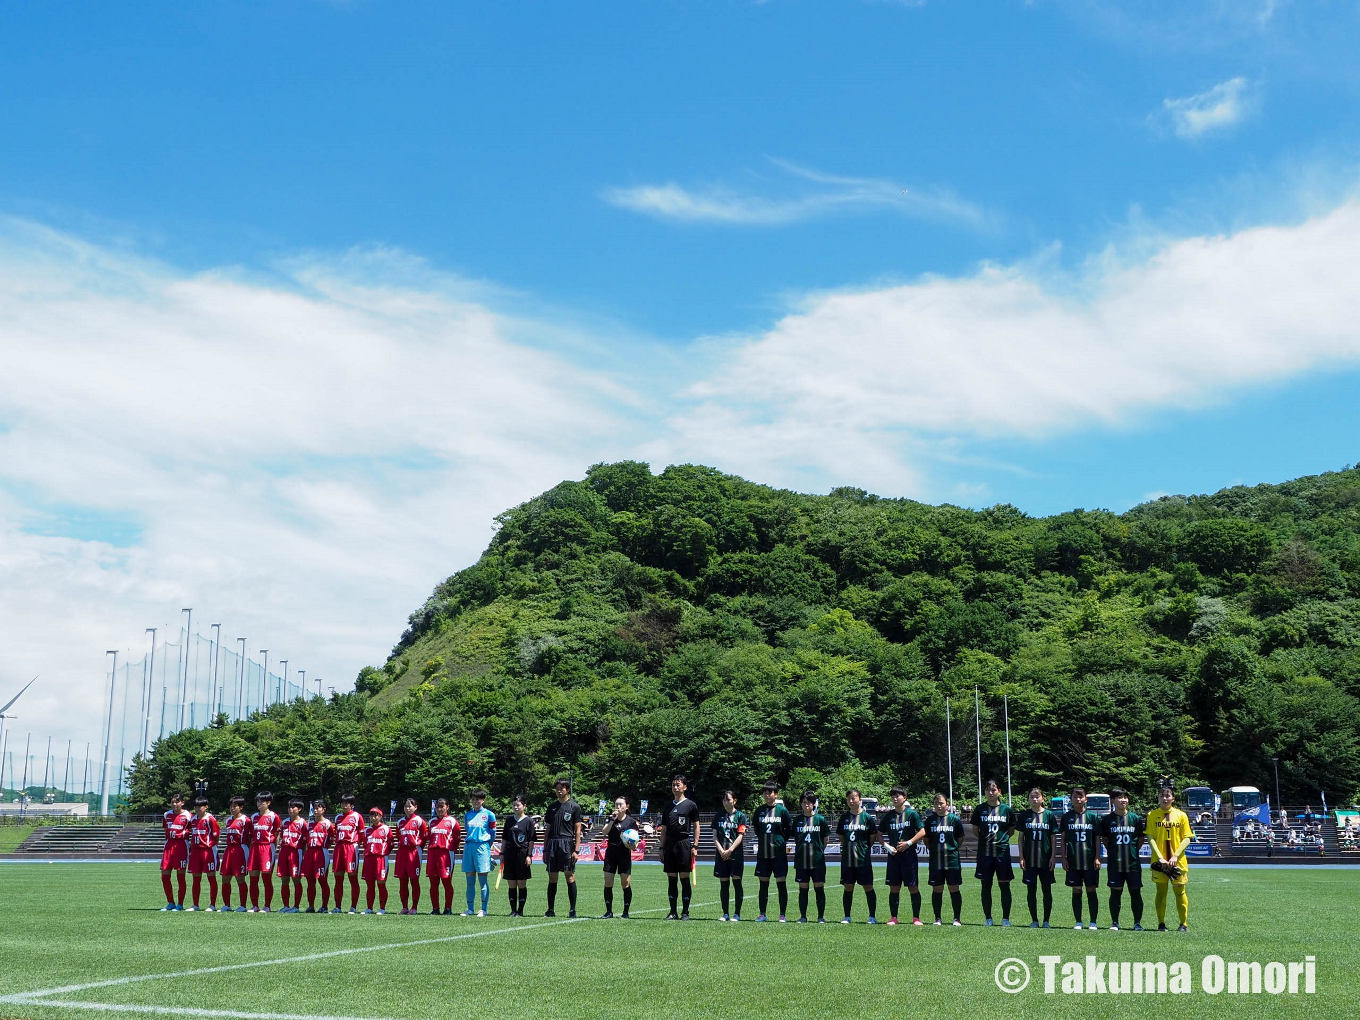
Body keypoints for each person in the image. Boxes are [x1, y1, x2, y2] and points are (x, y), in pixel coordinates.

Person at [1146, 785, 1192, 932]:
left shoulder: (1181, 815)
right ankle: (1161, 923)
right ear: (1158, 798)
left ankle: (1183, 924)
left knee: (1180, 892)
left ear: (1173, 798)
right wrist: (1160, 858)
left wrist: (1175, 856)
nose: (1165, 798)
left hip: (1177, 861)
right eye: (1162, 795)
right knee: (1161, 892)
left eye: (1167, 796)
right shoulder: (1151, 815)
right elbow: (1150, 837)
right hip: (1159, 863)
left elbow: (1187, 838)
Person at [972, 778, 1016, 927]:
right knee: (986, 885)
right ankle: (988, 918)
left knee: (1004, 885)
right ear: (984, 792)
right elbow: (975, 830)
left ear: (999, 791)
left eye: (993, 790)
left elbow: (1010, 830)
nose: (990, 792)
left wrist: (1000, 841)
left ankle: (1006, 919)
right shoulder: (979, 809)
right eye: (988, 790)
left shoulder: (1007, 810)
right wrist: (986, 841)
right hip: (985, 853)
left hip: (1002, 852)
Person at [1099, 789, 1145, 930]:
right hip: (1115, 863)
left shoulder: (1135, 819)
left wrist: (1131, 850)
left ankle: (1137, 923)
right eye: (1119, 798)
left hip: (1133, 863)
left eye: (1125, 797)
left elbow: (1140, 839)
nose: (1123, 800)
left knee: (1135, 892)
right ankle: (1115, 922)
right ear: (1113, 801)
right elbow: (1105, 840)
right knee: (1115, 892)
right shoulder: (1107, 820)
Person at [657, 774, 700, 920]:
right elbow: (663, 830)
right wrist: (661, 848)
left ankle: (685, 912)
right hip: (670, 845)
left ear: (685, 787)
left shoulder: (691, 805)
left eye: (678, 784)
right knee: (671, 879)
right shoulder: (668, 806)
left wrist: (695, 845)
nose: (675, 787)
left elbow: (696, 826)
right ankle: (673, 911)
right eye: (674, 784)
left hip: (684, 844)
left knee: (684, 878)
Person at [881, 785, 925, 926]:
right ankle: (893, 917)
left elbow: (922, 831)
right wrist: (887, 846)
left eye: (898, 795)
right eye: (893, 796)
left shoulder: (912, 814)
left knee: (913, 886)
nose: (895, 798)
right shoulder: (888, 816)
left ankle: (916, 918)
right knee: (894, 887)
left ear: (904, 798)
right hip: (894, 856)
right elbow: (878, 834)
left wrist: (909, 843)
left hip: (909, 856)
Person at [1059, 786, 1101, 930]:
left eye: (1080, 796)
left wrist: (1097, 857)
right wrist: (1063, 858)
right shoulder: (1066, 817)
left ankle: (1093, 921)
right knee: (1076, 890)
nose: (1078, 799)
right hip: (1073, 860)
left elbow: (1097, 839)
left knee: (1091, 889)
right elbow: (1063, 839)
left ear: (1085, 799)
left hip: (1089, 860)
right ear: (1071, 799)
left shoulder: (1093, 817)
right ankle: (1078, 921)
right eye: (1075, 797)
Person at [752, 781, 794, 922]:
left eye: (769, 792)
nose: (767, 795)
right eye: (765, 792)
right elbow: (757, 829)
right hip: (763, 854)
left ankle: (782, 914)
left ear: (776, 794)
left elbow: (788, 828)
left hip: (778, 854)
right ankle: (762, 914)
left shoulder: (782, 811)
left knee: (781, 883)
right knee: (763, 884)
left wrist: (780, 841)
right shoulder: (759, 810)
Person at [1015, 786, 1057, 928]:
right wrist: (1021, 857)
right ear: (1028, 799)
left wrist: (1053, 857)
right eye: (1032, 797)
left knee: (1047, 890)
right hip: (1030, 860)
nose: (1035, 799)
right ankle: (1034, 920)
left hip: (1045, 860)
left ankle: (1046, 920)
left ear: (1042, 798)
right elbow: (1020, 839)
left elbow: (1053, 838)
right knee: (1031, 890)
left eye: (1037, 796)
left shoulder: (1049, 815)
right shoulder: (1024, 815)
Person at [542, 778, 583, 917]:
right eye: (557, 788)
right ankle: (550, 909)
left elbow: (578, 830)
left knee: (569, 876)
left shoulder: (574, 807)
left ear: (567, 789)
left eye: (562, 788)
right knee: (552, 878)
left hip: (567, 844)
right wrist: (545, 849)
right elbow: (547, 829)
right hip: (553, 843)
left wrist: (576, 850)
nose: (559, 790)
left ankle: (572, 909)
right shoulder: (551, 807)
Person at [836, 788, 878, 923]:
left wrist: (862, 848)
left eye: (854, 798)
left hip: (863, 859)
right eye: (848, 798)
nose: (851, 801)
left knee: (868, 887)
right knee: (848, 887)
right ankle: (847, 916)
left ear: (860, 800)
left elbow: (872, 837)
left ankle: (872, 916)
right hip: (847, 860)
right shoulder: (844, 818)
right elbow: (841, 836)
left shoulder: (867, 818)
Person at [925, 793, 965, 925]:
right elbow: (926, 840)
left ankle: (957, 918)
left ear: (947, 804)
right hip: (936, 860)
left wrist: (951, 849)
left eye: (941, 803)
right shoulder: (930, 820)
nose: (938, 805)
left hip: (952, 860)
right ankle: (937, 918)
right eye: (936, 803)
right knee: (937, 889)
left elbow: (960, 838)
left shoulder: (954, 819)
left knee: (954, 888)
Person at [600, 795, 642, 918]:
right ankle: (609, 911)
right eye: (616, 804)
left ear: (626, 806)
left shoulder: (631, 822)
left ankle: (625, 912)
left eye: (620, 804)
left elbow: (635, 843)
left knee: (626, 883)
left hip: (624, 854)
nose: (618, 807)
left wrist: (632, 846)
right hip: (611, 854)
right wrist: (612, 819)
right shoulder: (610, 819)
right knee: (608, 882)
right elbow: (604, 832)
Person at [794, 791, 831, 922]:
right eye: (804, 802)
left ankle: (820, 917)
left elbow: (826, 839)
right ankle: (803, 916)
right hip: (801, 861)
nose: (806, 805)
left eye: (809, 802)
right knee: (803, 889)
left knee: (819, 889)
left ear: (814, 804)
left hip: (817, 861)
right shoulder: (797, 820)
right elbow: (795, 839)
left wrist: (819, 851)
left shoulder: (820, 819)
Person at [711, 789, 748, 921]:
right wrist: (721, 850)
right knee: (724, 884)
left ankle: (737, 913)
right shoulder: (718, 816)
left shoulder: (741, 816)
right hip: (721, 855)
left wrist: (730, 850)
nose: (726, 802)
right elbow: (714, 836)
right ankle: (725, 913)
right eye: (724, 800)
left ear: (735, 801)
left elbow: (740, 835)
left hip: (736, 855)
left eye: (729, 799)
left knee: (737, 883)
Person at [499, 794, 535, 916]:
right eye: (514, 805)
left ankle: (520, 911)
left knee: (521, 883)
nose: (515, 807)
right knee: (511, 883)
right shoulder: (509, 820)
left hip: (522, 854)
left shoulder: (529, 821)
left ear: (524, 806)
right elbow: (504, 838)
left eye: (518, 805)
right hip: (509, 854)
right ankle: (513, 910)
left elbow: (531, 840)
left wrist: (529, 855)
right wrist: (502, 853)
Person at [461, 789, 496, 916]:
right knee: (470, 881)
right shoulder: (467, 814)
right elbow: (467, 829)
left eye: (478, 799)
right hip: (469, 846)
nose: (475, 801)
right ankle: (470, 909)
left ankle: (483, 909)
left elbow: (493, 833)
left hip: (482, 847)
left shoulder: (489, 815)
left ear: (483, 800)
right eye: (473, 799)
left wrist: (487, 848)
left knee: (482, 880)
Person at [247, 791, 282, 912]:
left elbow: (277, 834)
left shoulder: (274, 816)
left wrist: (274, 847)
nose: (259, 804)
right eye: (258, 801)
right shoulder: (253, 817)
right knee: (253, 878)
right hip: (255, 848)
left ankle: (267, 906)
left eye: (262, 801)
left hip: (267, 848)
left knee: (266, 878)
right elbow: (251, 835)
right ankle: (255, 905)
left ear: (268, 802)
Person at [426, 798, 459, 915]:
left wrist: (450, 850)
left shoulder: (452, 821)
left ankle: (448, 908)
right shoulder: (431, 822)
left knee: (446, 881)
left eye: (442, 806)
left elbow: (457, 838)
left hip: (446, 854)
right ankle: (435, 908)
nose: (440, 809)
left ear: (447, 807)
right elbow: (429, 837)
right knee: (433, 883)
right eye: (438, 807)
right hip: (432, 853)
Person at [186, 797, 220, 911]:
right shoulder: (193, 819)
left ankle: (212, 905)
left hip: (208, 851)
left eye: (200, 806)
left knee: (211, 877)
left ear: (206, 807)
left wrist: (210, 845)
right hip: (195, 851)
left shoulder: (210, 819)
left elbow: (216, 835)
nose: (198, 809)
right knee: (196, 878)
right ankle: (195, 904)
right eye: (196, 806)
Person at [395, 798, 428, 915]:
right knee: (402, 881)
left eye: (410, 806)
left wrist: (418, 848)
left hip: (414, 852)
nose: (407, 808)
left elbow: (424, 837)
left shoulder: (419, 821)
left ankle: (414, 907)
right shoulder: (399, 822)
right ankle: (404, 907)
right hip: (402, 852)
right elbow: (398, 836)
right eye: (406, 806)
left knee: (414, 880)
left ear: (415, 807)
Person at [332, 794, 364, 913]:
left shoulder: (357, 816)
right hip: (339, 848)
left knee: (352, 877)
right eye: (342, 803)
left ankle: (353, 907)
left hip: (351, 847)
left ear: (352, 805)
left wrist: (356, 848)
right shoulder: (338, 817)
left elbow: (361, 834)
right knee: (338, 878)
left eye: (347, 803)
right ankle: (338, 907)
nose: (344, 805)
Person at [159, 793, 191, 911]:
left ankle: (180, 904)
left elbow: (193, 829)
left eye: (177, 802)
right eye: (172, 802)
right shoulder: (167, 815)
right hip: (169, 846)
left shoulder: (188, 816)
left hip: (181, 845)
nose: (174, 804)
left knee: (180, 876)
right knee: (164, 875)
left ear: (182, 802)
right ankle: (170, 902)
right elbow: (165, 829)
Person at [301, 800, 334, 913]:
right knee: (310, 880)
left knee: (322, 879)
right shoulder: (309, 824)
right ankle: (311, 906)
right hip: (309, 853)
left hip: (321, 853)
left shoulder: (328, 824)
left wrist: (323, 847)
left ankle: (324, 906)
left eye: (318, 807)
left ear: (323, 809)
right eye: (314, 808)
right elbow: (305, 841)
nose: (316, 810)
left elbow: (331, 840)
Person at [276, 799, 308, 913]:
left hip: (295, 852)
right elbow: (280, 835)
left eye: (293, 807)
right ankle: (286, 905)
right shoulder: (285, 822)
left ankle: (296, 906)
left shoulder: (302, 823)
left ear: (299, 809)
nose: (290, 809)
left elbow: (305, 842)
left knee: (296, 879)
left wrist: (303, 856)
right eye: (289, 807)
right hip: (284, 851)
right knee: (284, 879)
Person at [220, 796, 250, 912]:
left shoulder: (245, 820)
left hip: (240, 849)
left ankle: (243, 905)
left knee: (240, 878)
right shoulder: (228, 820)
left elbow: (249, 837)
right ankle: (227, 905)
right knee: (225, 878)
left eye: (235, 806)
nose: (232, 808)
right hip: (229, 850)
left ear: (241, 807)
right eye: (231, 806)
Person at [362, 806, 394, 913]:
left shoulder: (386, 829)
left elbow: (390, 844)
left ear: (380, 816)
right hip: (369, 859)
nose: (374, 817)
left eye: (376, 815)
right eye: (372, 815)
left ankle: (382, 908)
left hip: (381, 859)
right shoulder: (367, 830)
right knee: (370, 885)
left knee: (381, 883)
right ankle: (369, 908)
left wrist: (383, 854)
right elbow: (365, 844)